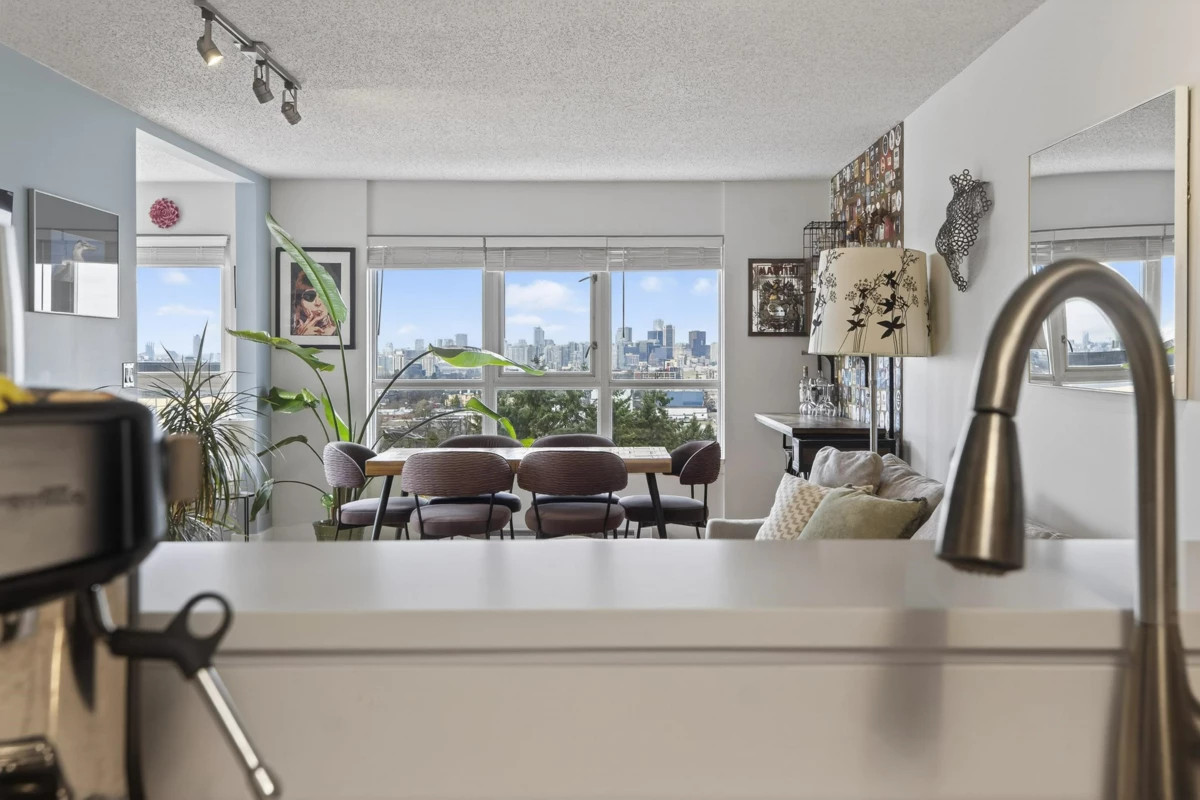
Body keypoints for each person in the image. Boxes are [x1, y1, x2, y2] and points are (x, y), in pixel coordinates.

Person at [291, 269, 334, 337]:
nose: (318, 303)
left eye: (323, 296)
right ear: (299, 303)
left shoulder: (339, 331)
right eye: (310, 296)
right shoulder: (291, 330)